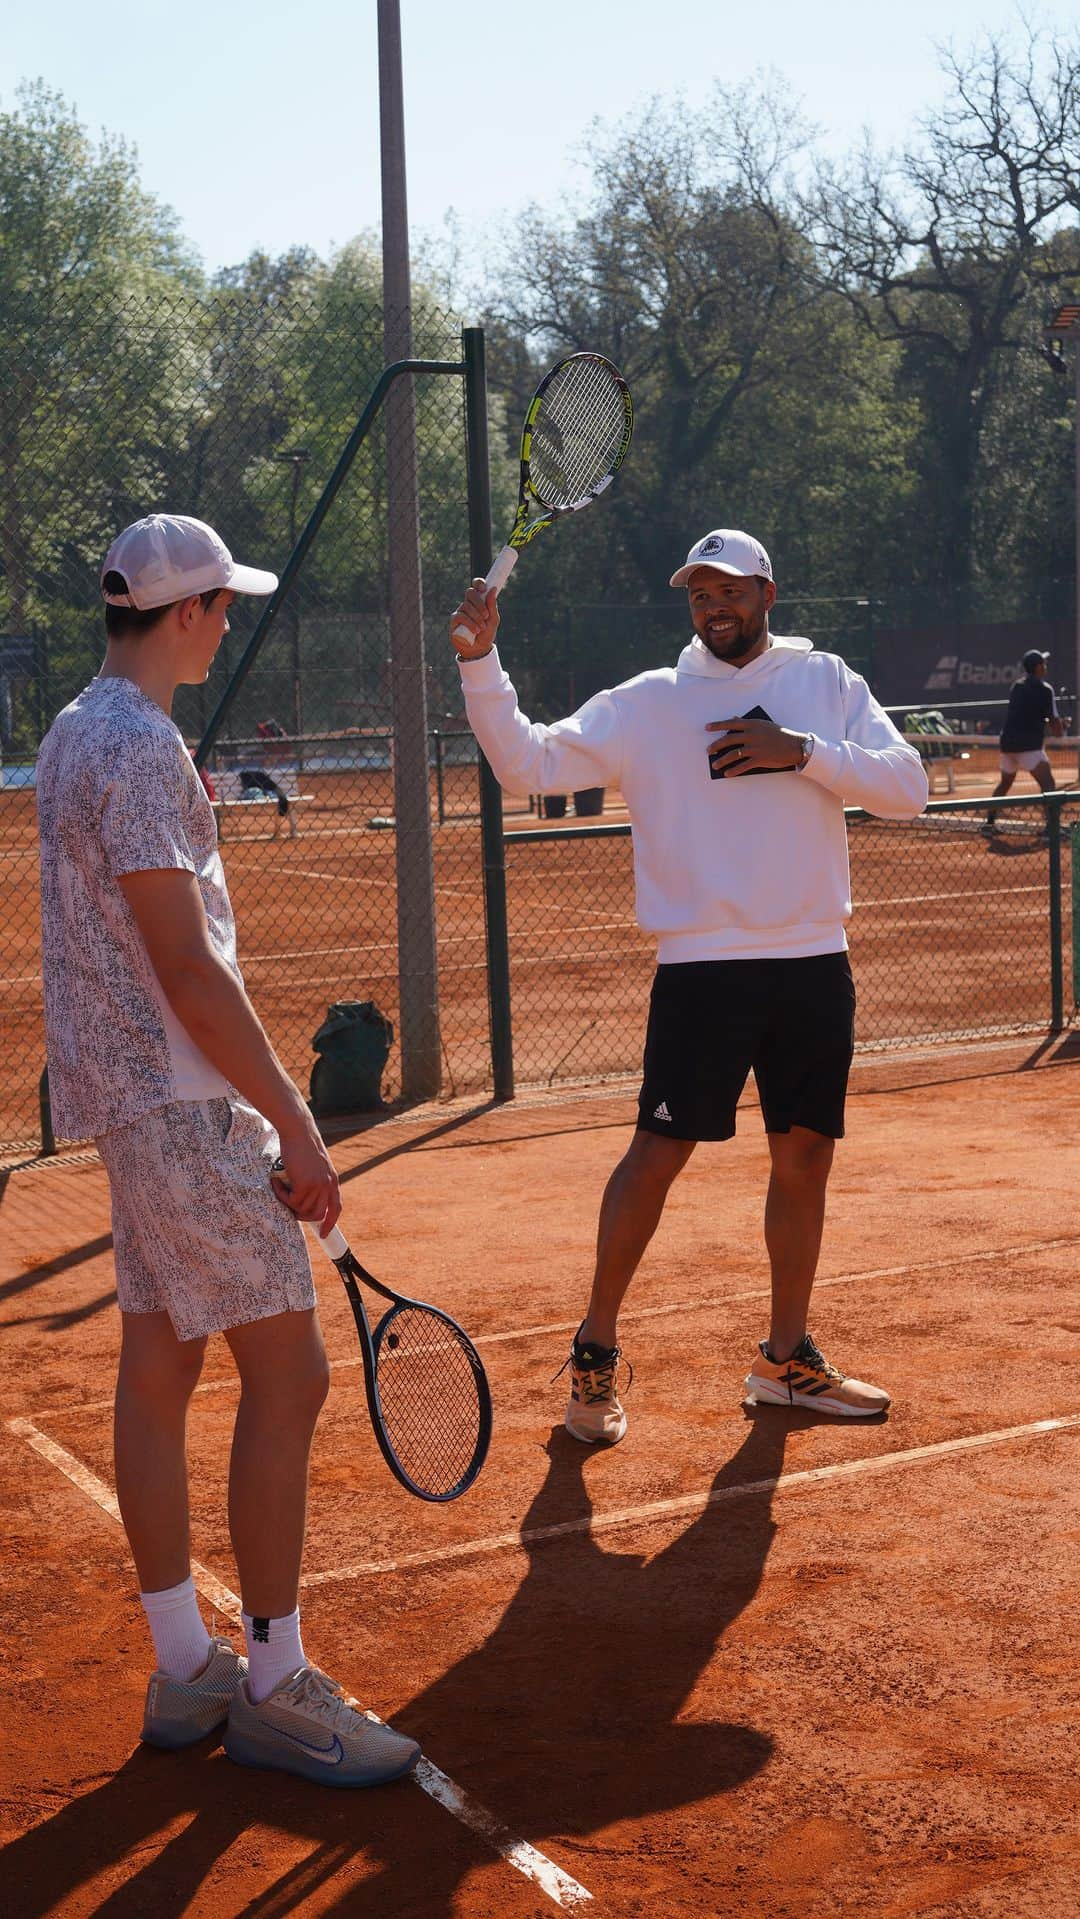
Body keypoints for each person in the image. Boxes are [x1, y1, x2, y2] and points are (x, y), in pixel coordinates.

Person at [36, 513, 419, 1786]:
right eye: (224, 606)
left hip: (133, 1108)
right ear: (188, 612)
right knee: (293, 1370)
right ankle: (271, 1680)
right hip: (189, 1101)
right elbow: (187, 967)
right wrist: (297, 1121)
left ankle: (183, 1664)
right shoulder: (141, 747)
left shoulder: (72, 730)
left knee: (160, 1361)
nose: (230, 624)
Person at [450, 528, 929, 1442]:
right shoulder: (650, 703)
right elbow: (531, 764)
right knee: (656, 1158)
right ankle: (594, 1355)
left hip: (813, 963)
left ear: (767, 594)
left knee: (805, 1160)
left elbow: (909, 787)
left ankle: (784, 1361)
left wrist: (805, 752)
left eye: (731, 591)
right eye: (699, 595)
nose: (716, 607)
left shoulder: (824, 681)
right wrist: (483, 664)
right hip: (702, 973)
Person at [984, 648, 1065, 833]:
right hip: (1029, 746)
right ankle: (1052, 829)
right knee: (1048, 784)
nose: (1046, 667)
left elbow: (1027, 714)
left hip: (1008, 744)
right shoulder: (1046, 690)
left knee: (1004, 784)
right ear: (1038, 667)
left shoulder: (1017, 686)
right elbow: (1056, 729)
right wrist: (1062, 727)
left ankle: (989, 824)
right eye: (1043, 664)